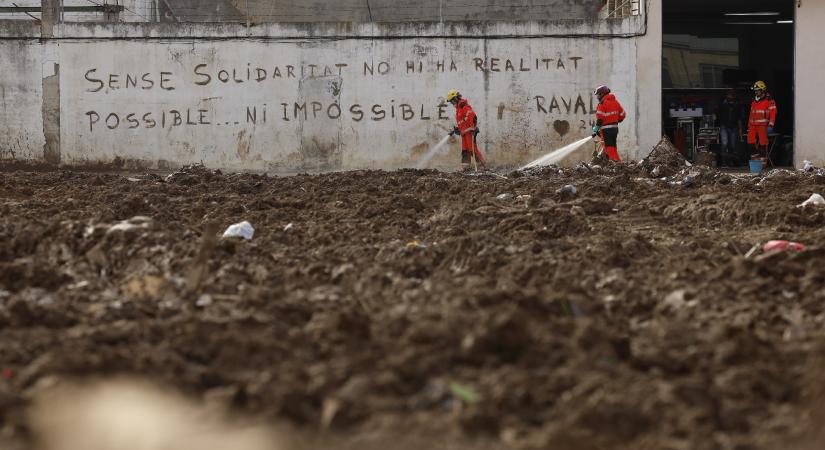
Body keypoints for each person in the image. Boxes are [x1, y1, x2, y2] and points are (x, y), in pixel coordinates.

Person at [446, 89, 486, 170]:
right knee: (465, 151)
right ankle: (466, 167)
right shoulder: (458, 108)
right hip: (464, 133)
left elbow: (472, 116)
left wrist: (473, 128)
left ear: (456, 98)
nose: (452, 103)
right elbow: (463, 121)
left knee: (472, 150)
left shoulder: (463, 105)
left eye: (452, 101)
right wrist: (457, 129)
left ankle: (483, 165)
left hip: (469, 132)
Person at [592, 85, 626, 162]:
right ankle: (617, 163)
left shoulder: (602, 103)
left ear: (602, 94)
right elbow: (623, 114)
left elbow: (600, 119)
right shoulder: (615, 102)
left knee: (609, 148)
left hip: (606, 130)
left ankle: (615, 163)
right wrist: (616, 121)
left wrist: (595, 129)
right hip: (614, 129)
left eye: (597, 95)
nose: (597, 97)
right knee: (613, 147)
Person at [747, 80, 777, 165]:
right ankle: (756, 161)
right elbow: (751, 114)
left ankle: (763, 162)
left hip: (762, 125)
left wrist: (771, 125)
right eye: (755, 91)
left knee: (763, 143)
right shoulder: (754, 100)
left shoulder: (769, 100)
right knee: (750, 142)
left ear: (762, 90)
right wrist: (749, 126)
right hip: (752, 125)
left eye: (757, 90)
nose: (756, 92)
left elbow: (773, 112)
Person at [715, 89, 744, 166]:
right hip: (724, 126)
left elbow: (739, 118)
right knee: (724, 143)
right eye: (729, 95)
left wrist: (740, 129)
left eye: (732, 95)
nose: (730, 97)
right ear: (727, 96)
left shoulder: (737, 105)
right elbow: (716, 114)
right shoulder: (722, 104)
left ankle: (731, 162)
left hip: (734, 127)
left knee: (733, 145)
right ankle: (724, 162)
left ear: (734, 96)